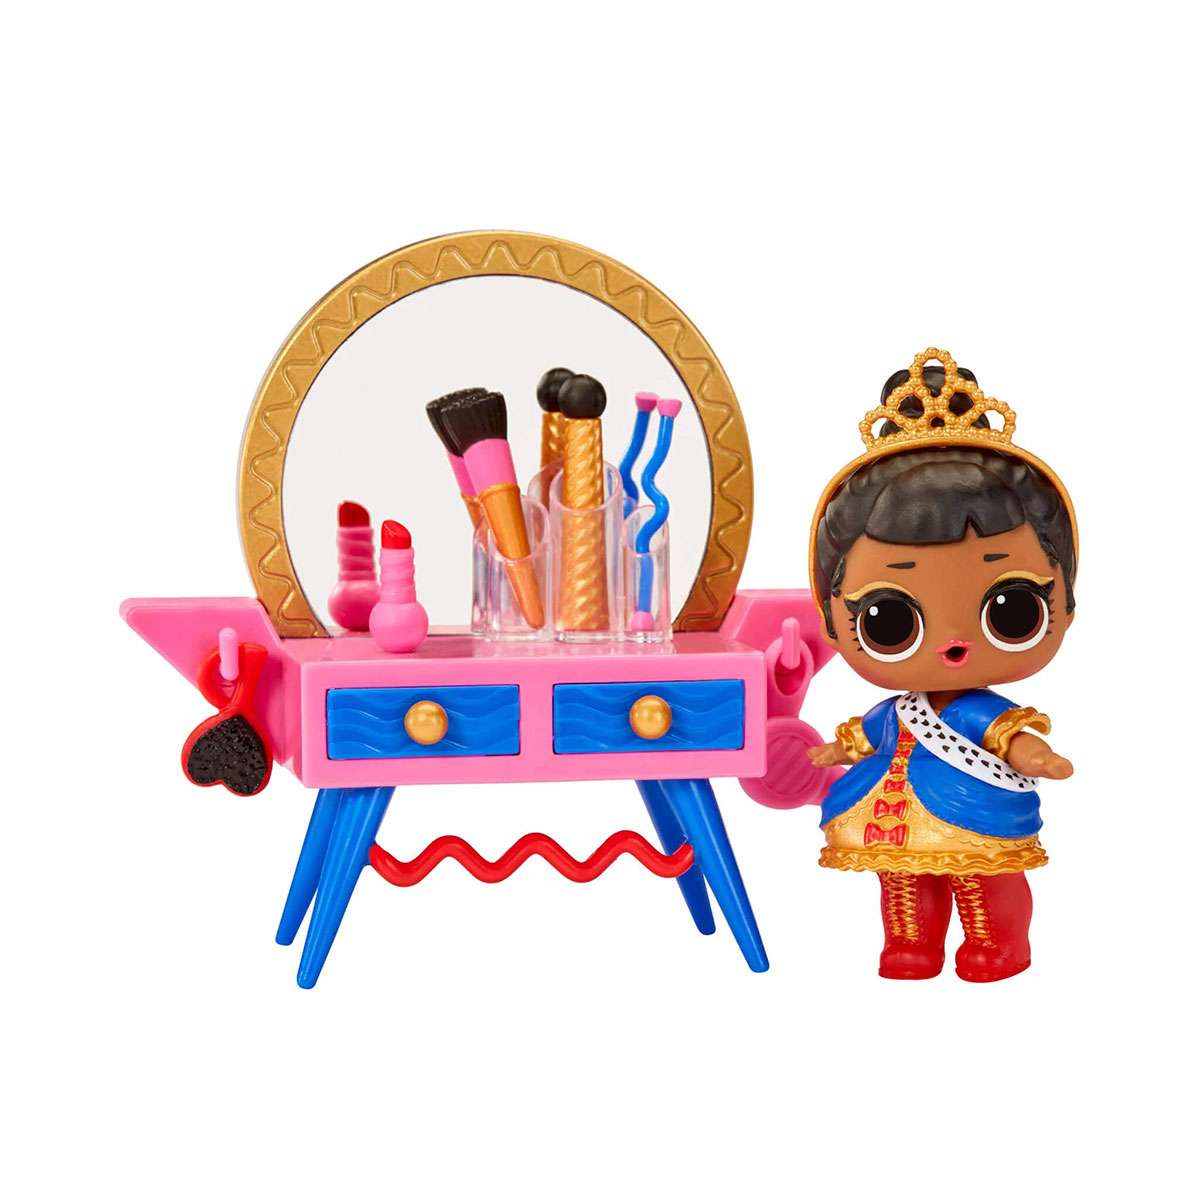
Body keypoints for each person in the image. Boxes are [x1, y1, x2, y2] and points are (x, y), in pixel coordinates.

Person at [806, 348, 1077, 982]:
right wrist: (837, 750)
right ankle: (910, 944)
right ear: (832, 620)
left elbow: (1008, 737)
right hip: (895, 818)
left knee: (985, 885)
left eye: (1012, 608)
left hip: (972, 810)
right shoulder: (894, 711)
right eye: (888, 619)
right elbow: (868, 734)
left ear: (1065, 604)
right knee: (903, 885)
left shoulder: (979, 711)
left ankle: (997, 945)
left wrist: (1037, 756)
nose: (954, 644)